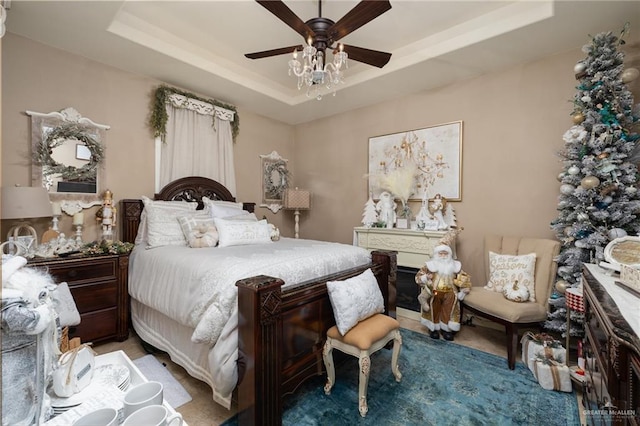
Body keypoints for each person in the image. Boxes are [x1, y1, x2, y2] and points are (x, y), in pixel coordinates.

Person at [415, 242, 471, 340]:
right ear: (436, 254)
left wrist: (464, 289)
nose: (443, 256)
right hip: (435, 292)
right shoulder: (430, 266)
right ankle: (434, 328)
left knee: (448, 310)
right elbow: (418, 277)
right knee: (434, 307)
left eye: (445, 254)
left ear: (449, 254)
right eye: (441, 254)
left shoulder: (455, 266)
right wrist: (426, 277)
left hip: (450, 293)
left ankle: (446, 329)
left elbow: (464, 278)